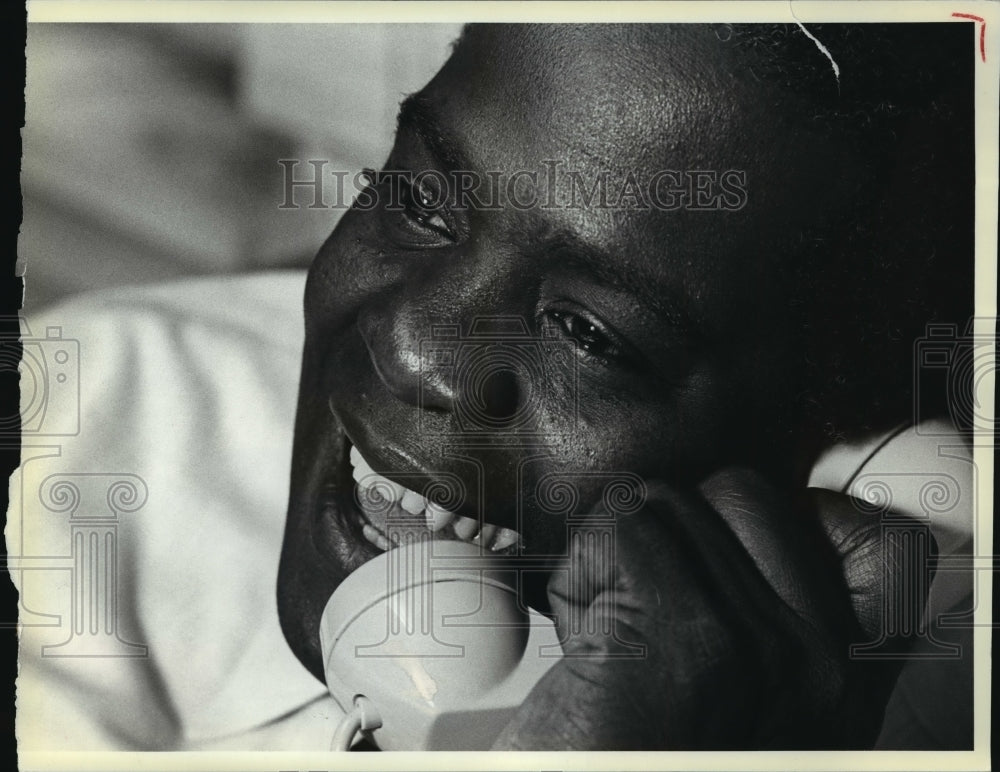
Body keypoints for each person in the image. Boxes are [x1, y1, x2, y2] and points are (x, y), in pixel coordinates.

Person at [10, 22, 976, 753]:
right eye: (423, 201)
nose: (414, 350)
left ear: (847, 471)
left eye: (591, 335)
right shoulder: (91, 416)